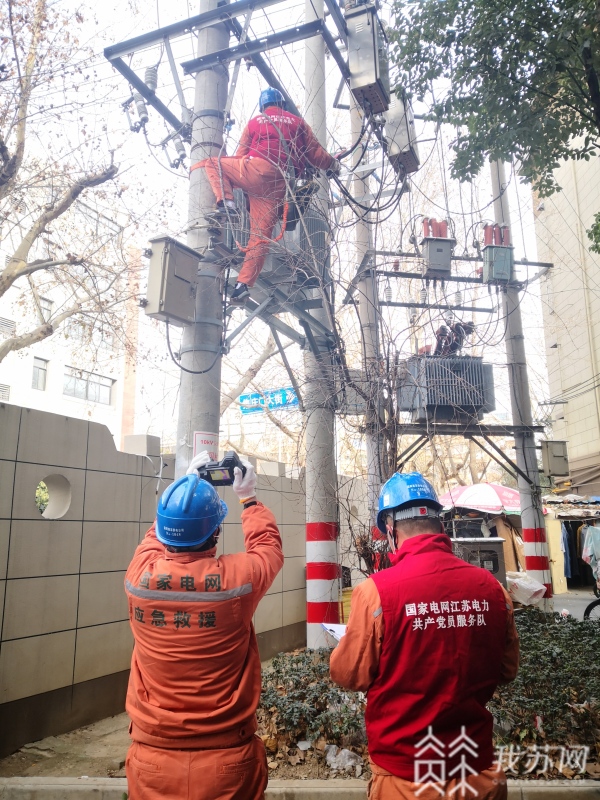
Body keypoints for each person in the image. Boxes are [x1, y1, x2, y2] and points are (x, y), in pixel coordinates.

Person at [330, 471, 519, 800]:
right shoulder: (493, 589)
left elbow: (349, 674)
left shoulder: (376, 593)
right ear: (439, 522)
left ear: (391, 527)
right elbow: (507, 670)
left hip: (406, 779)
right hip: (477, 773)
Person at [124, 452, 284, 800]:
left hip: (153, 762)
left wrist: (183, 489)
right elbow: (268, 548)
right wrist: (248, 498)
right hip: (227, 761)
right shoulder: (238, 580)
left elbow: (154, 538)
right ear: (215, 533)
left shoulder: (138, 576)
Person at [196, 87, 341, 303]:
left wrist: (236, 187)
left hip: (257, 171)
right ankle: (242, 285)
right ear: (282, 104)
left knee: (212, 164)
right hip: (279, 185)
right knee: (259, 239)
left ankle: (227, 204)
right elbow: (316, 154)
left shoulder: (255, 122)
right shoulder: (298, 123)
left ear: (263, 106)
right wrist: (333, 164)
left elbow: (240, 155)